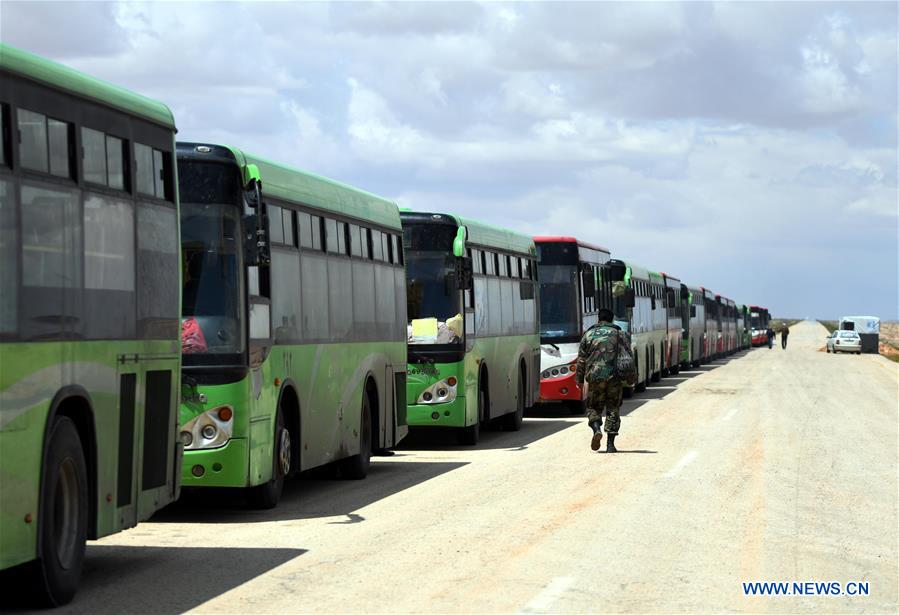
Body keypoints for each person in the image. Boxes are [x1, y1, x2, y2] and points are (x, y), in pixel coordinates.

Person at [575, 308, 629, 453]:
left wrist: (579, 379)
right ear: (612, 320)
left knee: (593, 407)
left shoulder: (588, 334)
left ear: (598, 319)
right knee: (613, 408)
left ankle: (596, 429)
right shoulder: (619, 333)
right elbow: (627, 356)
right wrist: (631, 378)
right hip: (614, 377)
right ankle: (610, 445)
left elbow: (581, 359)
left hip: (594, 377)